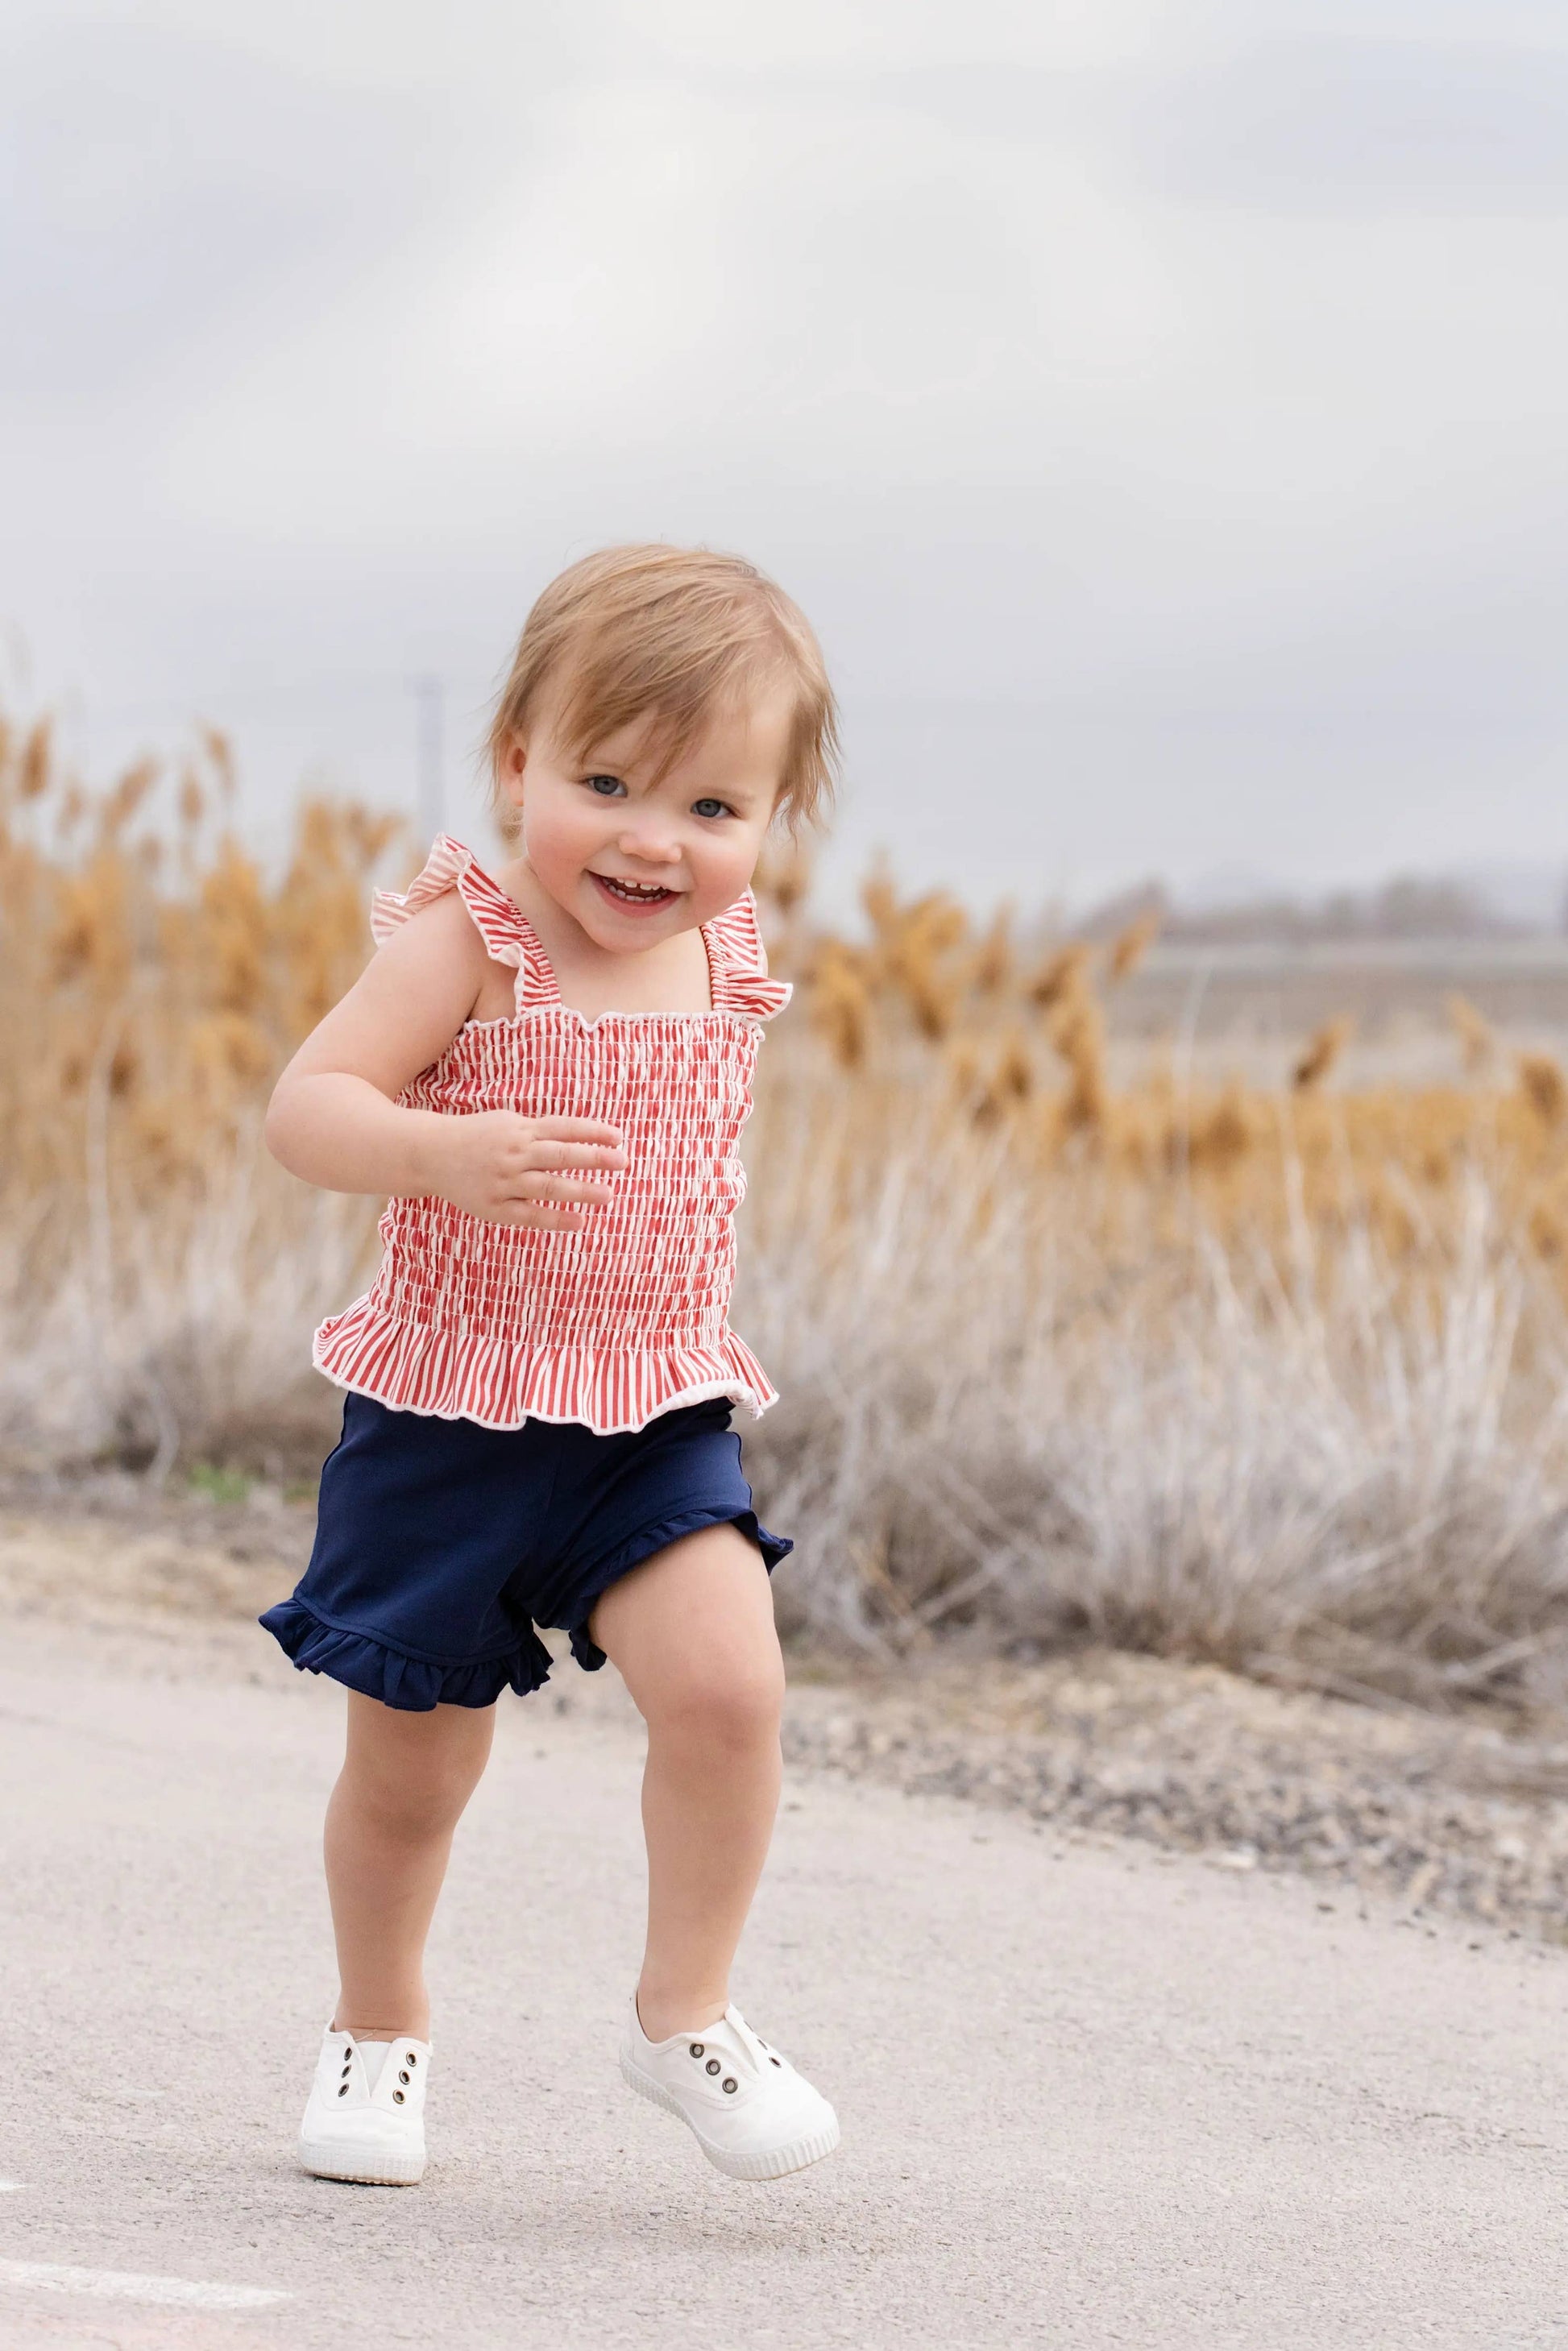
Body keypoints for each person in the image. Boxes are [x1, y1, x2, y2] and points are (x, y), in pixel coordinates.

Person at [259, 545, 840, 2188]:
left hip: (648, 1408)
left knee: (730, 1692)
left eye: (716, 808)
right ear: (514, 760)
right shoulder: (475, 941)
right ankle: (379, 2028)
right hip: (447, 1417)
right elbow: (308, 1108)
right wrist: (438, 1155)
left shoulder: (726, 958)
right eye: (605, 782)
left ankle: (684, 2011)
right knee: (411, 1770)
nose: (656, 840)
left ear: (773, 821)